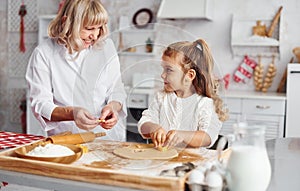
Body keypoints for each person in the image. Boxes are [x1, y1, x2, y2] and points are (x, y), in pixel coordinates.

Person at [26, 0, 127, 141]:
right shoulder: (44, 53)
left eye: (99, 27)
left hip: (106, 137)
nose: (95, 35)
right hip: (67, 139)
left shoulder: (106, 47)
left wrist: (113, 107)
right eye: (89, 28)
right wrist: (72, 113)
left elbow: (116, 90)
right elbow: (41, 104)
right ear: (67, 22)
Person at [138, 39, 228, 148]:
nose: (162, 75)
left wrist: (183, 135)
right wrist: (153, 128)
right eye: (163, 69)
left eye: (169, 70)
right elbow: (143, 124)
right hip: (162, 163)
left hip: (191, 162)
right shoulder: (161, 97)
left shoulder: (204, 103)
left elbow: (208, 137)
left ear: (189, 75)